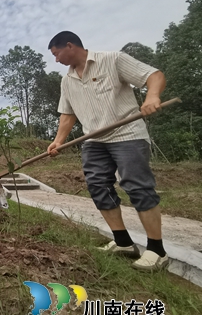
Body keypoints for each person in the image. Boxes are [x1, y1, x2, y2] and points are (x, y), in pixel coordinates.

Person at [47, 31, 168, 271]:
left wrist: (152, 96)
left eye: (56, 53)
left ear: (69, 46)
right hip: (93, 139)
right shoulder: (67, 80)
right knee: (98, 187)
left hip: (127, 134)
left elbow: (153, 75)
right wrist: (58, 140)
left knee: (137, 186)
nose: (56, 59)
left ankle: (157, 250)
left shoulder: (112, 59)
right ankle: (123, 242)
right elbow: (68, 114)